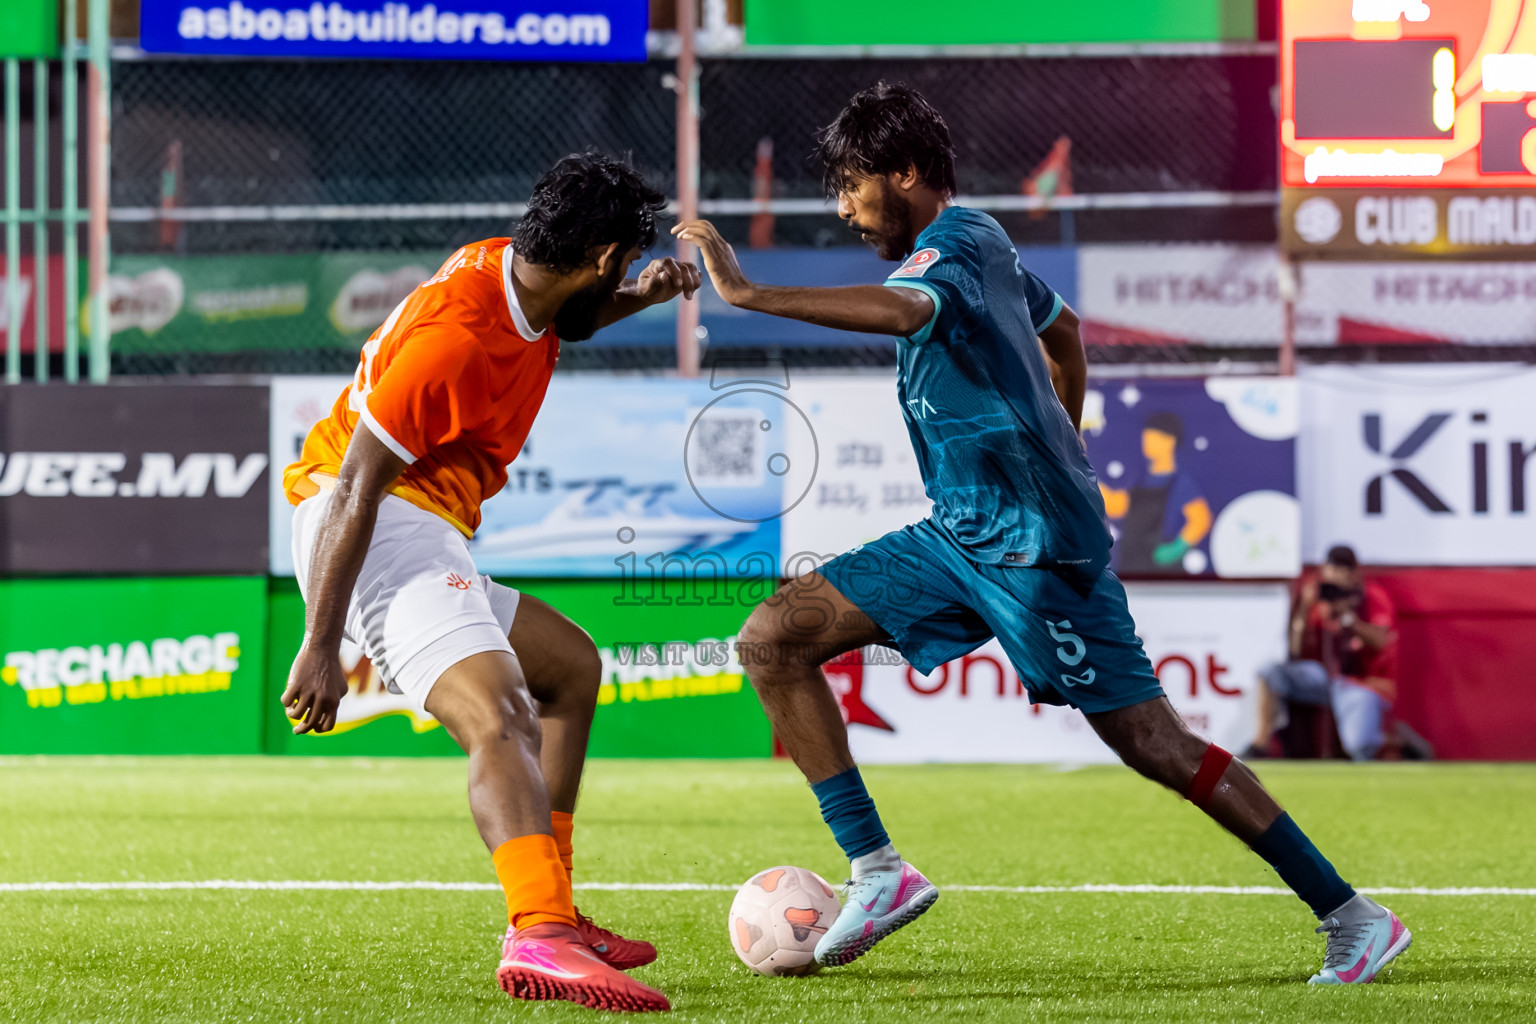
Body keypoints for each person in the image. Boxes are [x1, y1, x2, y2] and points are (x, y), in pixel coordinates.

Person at [673, 83, 1410, 985]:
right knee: (773, 639)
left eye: (853, 186)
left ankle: (1352, 915)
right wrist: (1066, 436)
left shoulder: (956, 245)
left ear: (906, 172)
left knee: (1154, 743)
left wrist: (748, 292)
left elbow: (905, 312)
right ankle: (878, 869)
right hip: (961, 534)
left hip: (1036, 550)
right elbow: (1066, 335)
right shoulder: (985, 250)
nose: (843, 209)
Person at [281, 153, 698, 1013]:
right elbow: (356, 486)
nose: (622, 273)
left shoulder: (514, 268)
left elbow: (570, 318)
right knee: (501, 714)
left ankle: (557, 911)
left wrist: (640, 296)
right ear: (602, 256)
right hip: (371, 519)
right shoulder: (455, 342)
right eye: (624, 262)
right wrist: (321, 644)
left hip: (419, 521)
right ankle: (538, 929)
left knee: (570, 667)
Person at [1245, 545, 1398, 762]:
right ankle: (1260, 745)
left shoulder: (1371, 596)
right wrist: (1304, 609)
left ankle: (1390, 747)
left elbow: (1381, 640)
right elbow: (1294, 651)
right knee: (1270, 672)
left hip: (1361, 683)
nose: (1338, 577)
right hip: (1323, 676)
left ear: (1355, 572)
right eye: (1334, 569)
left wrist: (1348, 617)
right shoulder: (1317, 597)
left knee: (1360, 747)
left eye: (1345, 570)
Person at [1099, 411, 1212, 574]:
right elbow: (1119, 507)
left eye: (1153, 438)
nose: (1147, 443)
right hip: (1131, 563)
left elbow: (1201, 519)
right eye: (1146, 438)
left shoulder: (1180, 483)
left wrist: (1178, 547)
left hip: (1159, 569)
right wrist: (1089, 482)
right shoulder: (1140, 480)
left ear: (1170, 441)